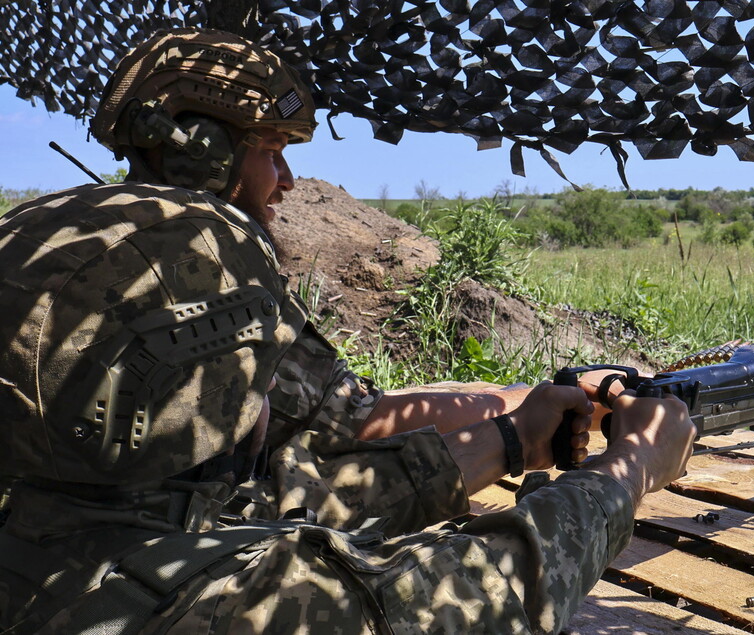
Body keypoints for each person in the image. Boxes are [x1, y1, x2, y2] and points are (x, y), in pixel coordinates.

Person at [0, 179, 695, 633]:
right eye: (257, 372)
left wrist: (512, 438)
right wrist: (629, 469)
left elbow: (278, 507)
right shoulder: (215, 613)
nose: (272, 394)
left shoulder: (54, 517)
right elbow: (475, 591)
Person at [82, 27, 614, 522]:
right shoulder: (197, 265)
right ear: (202, 154)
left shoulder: (87, 234)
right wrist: (541, 411)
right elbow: (360, 422)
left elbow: (337, 406)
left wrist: (521, 391)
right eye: (271, 151)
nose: (288, 180)